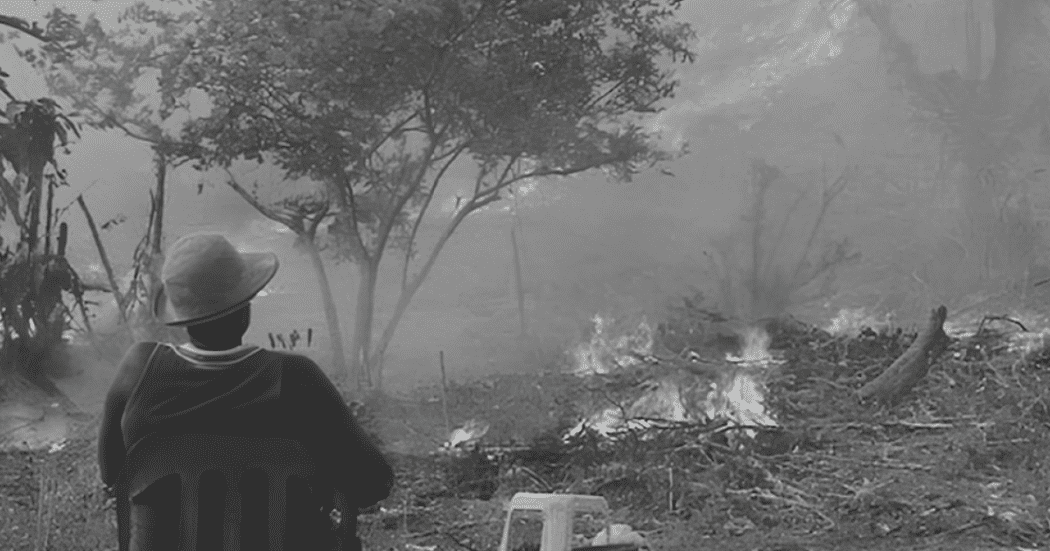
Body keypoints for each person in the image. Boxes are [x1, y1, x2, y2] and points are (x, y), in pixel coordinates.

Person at [98, 232, 393, 550]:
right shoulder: (296, 377)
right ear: (244, 307)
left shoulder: (139, 368)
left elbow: (113, 471)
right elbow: (371, 483)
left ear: (182, 316)